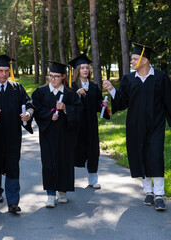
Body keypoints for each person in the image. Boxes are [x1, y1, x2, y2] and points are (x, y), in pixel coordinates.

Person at [103, 42, 171, 211]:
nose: (132, 61)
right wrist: (112, 89)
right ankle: (148, 191)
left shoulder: (161, 77)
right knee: (140, 155)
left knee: (155, 156)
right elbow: (122, 102)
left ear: (145, 60)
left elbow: (169, 102)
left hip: (156, 125)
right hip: (135, 126)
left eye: (134, 58)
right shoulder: (128, 79)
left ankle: (160, 194)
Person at [0, 54, 33, 214]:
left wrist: (28, 115)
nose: (4, 74)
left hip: (12, 136)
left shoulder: (17, 88)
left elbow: (29, 104)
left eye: (6, 70)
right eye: (0, 70)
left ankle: (13, 202)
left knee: (12, 167)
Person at [32, 61, 82, 208]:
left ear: (63, 77)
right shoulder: (40, 92)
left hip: (66, 135)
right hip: (47, 133)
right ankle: (50, 194)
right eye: (51, 76)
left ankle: (62, 191)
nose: (53, 79)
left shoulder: (70, 94)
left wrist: (66, 108)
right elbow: (36, 108)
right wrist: (49, 115)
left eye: (56, 76)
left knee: (64, 161)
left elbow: (79, 111)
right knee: (48, 162)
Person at [69, 54, 110, 189]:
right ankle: (68, 179)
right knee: (74, 149)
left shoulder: (93, 86)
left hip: (91, 124)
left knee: (93, 151)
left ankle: (93, 179)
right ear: (77, 71)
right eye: (82, 68)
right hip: (76, 124)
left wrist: (102, 103)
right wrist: (77, 94)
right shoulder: (72, 86)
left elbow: (97, 101)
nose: (85, 70)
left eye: (87, 68)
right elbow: (67, 103)